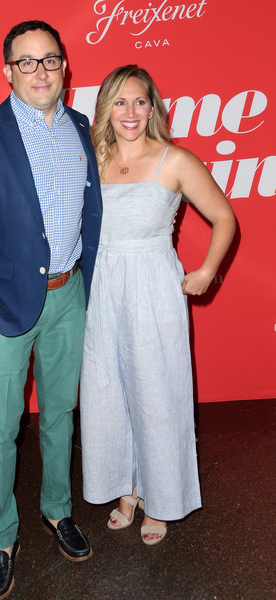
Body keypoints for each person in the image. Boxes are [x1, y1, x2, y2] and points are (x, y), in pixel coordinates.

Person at [0, 20, 102, 600]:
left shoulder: (83, 129)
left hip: (69, 294)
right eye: (26, 61)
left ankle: (57, 510)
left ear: (64, 66)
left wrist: (92, 286)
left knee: (61, 417)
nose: (39, 71)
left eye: (49, 59)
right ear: (7, 70)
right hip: (2, 306)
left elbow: (93, 214)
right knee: (2, 430)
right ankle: (2, 538)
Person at [80, 65, 236, 546]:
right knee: (107, 391)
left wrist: (206, 271)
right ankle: (126, 488)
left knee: (157, 393)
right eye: (120, 102)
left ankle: (160, 495)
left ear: (153, 108)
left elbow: (224, 217)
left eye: (140, 101)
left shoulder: (175, 159)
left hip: (152, 285)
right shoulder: (93, 159)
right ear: (106, 108)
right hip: (100, 286)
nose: (130, 112)